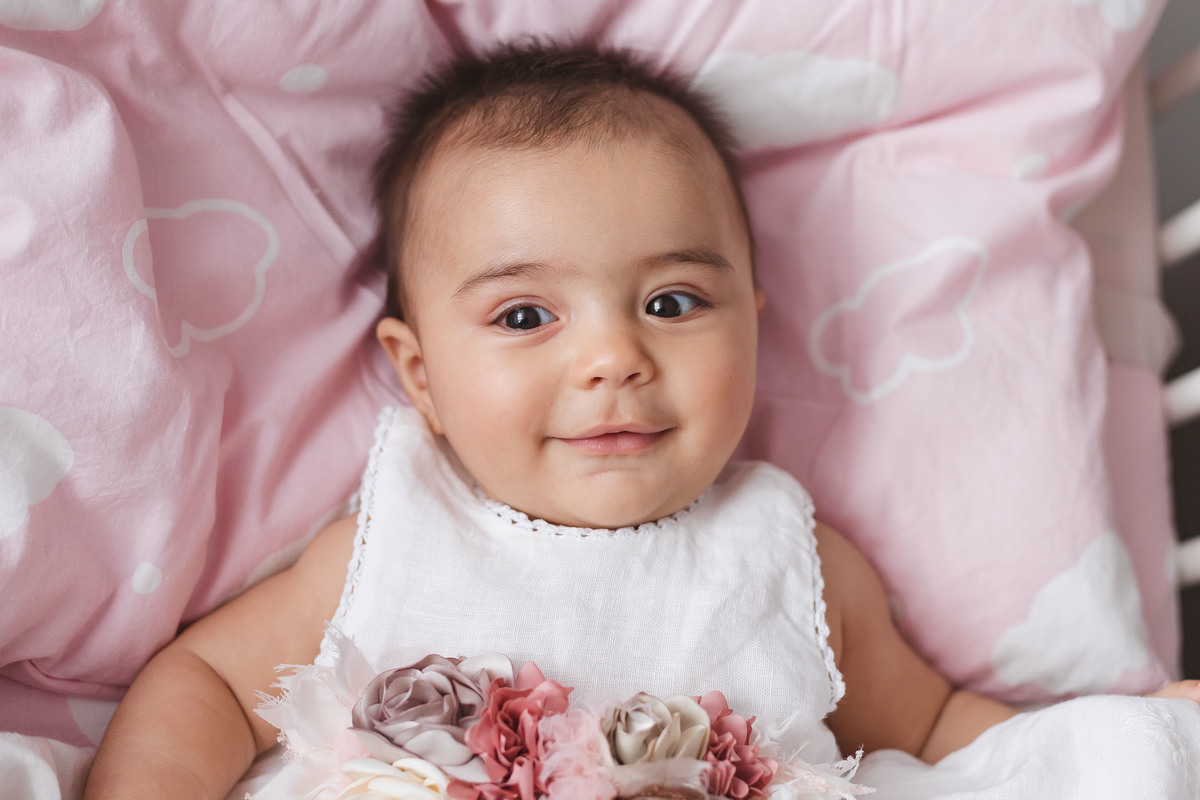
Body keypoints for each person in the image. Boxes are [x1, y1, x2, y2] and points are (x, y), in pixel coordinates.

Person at [83, 40, 1200, 800]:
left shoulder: (793, 560)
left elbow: (942, 729)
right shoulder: (391, 541)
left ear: (755, 323)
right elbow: (209, 684)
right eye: (526, 315)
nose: (613, 356)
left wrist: (1130, 736)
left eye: (673, 302)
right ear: (420, 376)